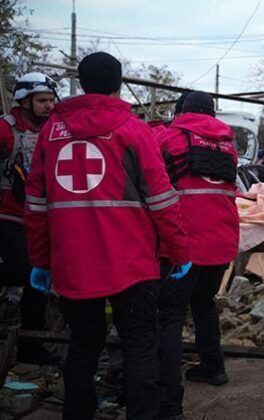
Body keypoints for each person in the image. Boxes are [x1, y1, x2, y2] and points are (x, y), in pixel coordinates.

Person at [24, 52, 191, 419]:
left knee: (83, 343)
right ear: (118, 84)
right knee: (139, 344)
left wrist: (40, 260)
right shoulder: (133, 130)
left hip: (73, 265)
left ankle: (77, 413)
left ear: (81, 83)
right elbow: (162, 200)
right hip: (131, 265)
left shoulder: (50, 133)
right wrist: (179, 252)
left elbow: (35, 204)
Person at [155, 91, 238, 418]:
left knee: (170, 317)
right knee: (204, 304)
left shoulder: (168, 137)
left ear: (181, 111)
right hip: (222, 241)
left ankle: (169, 401)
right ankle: (213, 367)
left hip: (182, 243)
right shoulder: (228, 143)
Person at [0, 72, 58, 364]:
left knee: (38, 281)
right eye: (41, 100)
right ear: (24, 102)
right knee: (24, 272)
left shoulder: (54, 130)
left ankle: (32, 348)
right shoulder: (6, 130)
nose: (49, 106)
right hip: (9, 216)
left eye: (51, 100)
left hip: (42, 217)